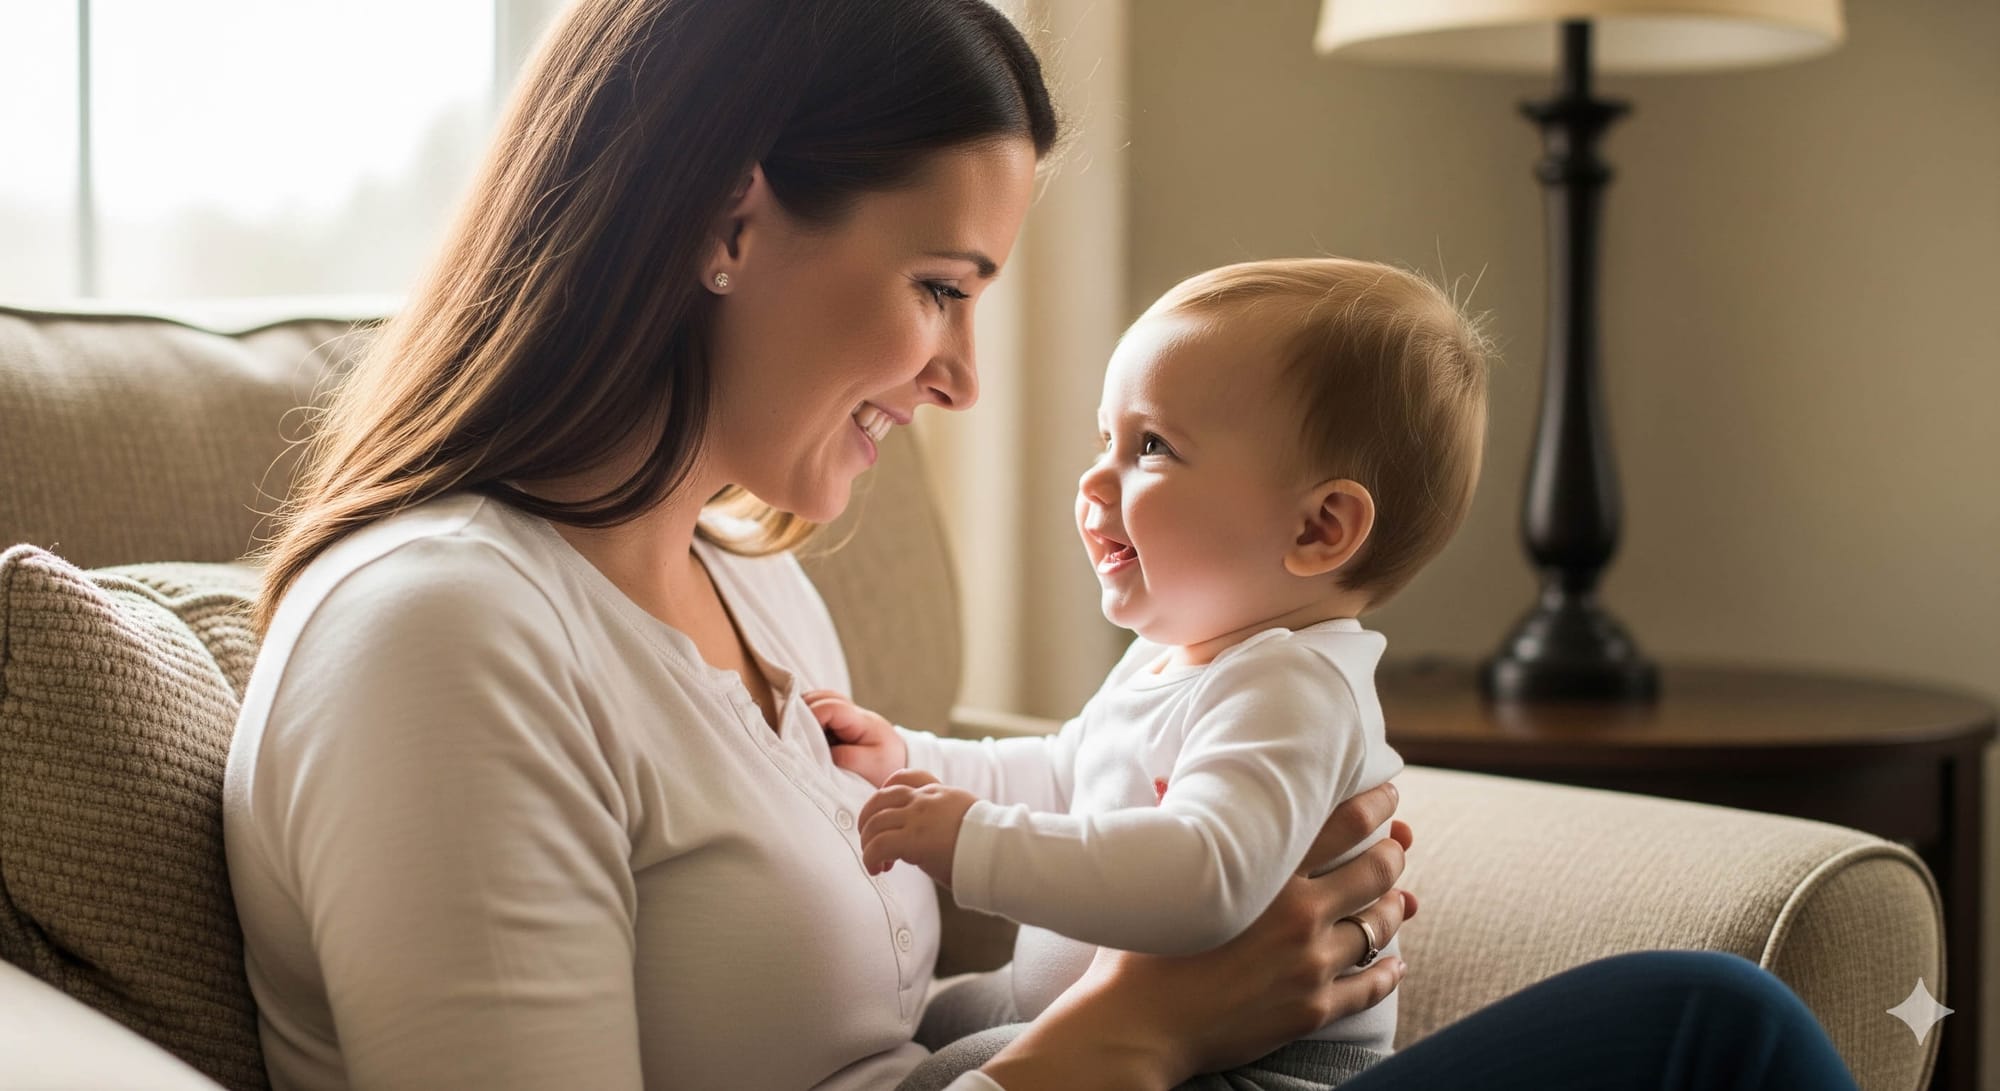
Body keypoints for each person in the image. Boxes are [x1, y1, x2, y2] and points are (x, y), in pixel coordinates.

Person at [219, 0, 1863, 1088]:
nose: (963, 377)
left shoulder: (761, 596)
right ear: (727, 220)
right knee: (1707, 1042)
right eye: (942, 286)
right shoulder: (444, 639)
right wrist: (1130, 1038)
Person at [805, 257, 1490, 1090]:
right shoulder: (1178, 657)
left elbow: (1203, 875)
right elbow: (1062, 772)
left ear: (1320, 527)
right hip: (1081, 1016)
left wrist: (970, 841)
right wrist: (907, 759)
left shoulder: (1293, 687)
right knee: (935, 1025)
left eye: (1153, 447)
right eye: (1107, 438)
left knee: (955, 1061)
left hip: (1256, 1067)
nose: (1095, 478)